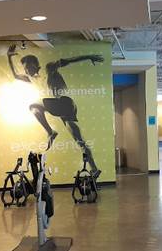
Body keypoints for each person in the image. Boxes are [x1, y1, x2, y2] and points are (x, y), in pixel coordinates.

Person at [7, 44, 103, 179]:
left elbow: (69, 61)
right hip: (66, 109)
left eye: (27, 67)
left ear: (35, 65)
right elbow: (16, 75)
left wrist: (89, 56)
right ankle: (95, 169)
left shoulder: (48, 68)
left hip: (64, 102)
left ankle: (50, 132)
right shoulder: (31, 78)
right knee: (79, 140)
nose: (26, 71)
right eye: (25, 69)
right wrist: (9, 57)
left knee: (33, 106)